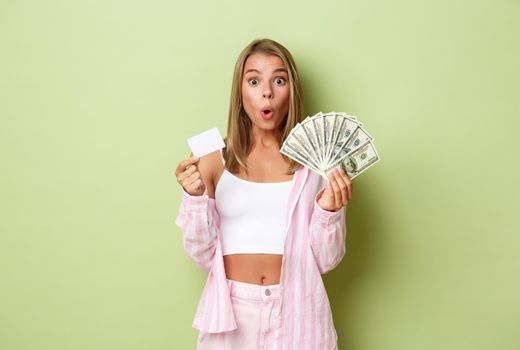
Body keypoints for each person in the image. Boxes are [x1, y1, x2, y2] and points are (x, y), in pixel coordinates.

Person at [174, 38, 352, 350]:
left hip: (300, 310)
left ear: (291, 91)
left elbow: (326, 261)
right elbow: (201, 255)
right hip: (231, 312)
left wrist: (329, 213)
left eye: (278, 80)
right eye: (254, 81)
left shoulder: (317, 164)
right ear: (240, 92)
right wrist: (195, 197)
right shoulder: (214, 159)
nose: (266, 92)